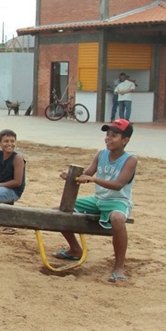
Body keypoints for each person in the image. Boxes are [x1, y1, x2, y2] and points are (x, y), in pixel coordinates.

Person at [53, 118, 137, 283]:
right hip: (98, 199)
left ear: (125, 140)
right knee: (58, 210)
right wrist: (69, 175)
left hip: (117, 200)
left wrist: (93, 180)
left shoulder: (130, 160)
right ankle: (75, 249)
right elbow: (87, 173)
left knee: (118, 218)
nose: (108, 138)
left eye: (114, 136)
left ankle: (119, 266)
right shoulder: (101, 154)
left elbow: (119, 185)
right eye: (107, 134)